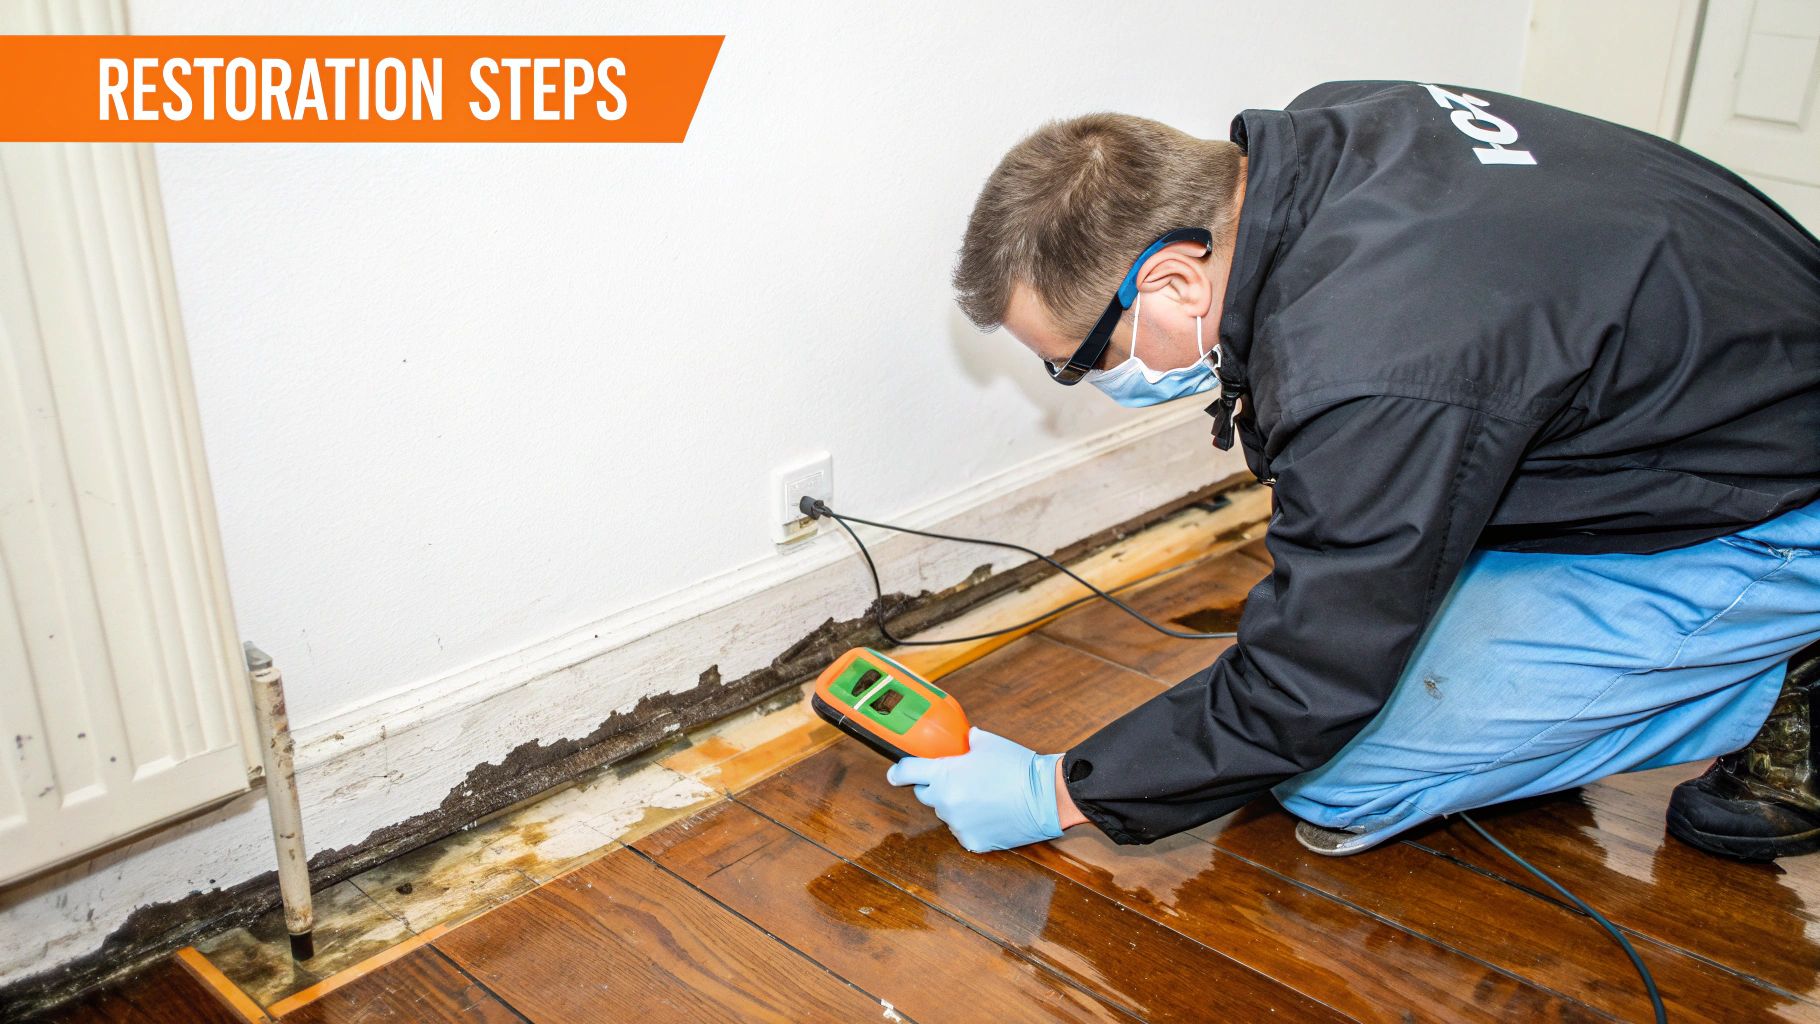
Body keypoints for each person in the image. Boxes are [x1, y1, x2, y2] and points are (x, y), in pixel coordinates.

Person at [885, 80, 1820, 862]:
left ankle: (1780, 674)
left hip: (1783, 494)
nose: (1086, 381)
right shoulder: (1331, 137)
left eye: (1082, 358)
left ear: (1173, 280)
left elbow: (1307, 685)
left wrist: (1058, 791)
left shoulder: (1372, 362)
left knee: (1341, 777)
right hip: (1716, 409)